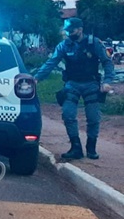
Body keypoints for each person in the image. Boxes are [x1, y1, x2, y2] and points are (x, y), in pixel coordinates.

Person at [34, 18, 115, 159]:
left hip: (91, 83)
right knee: (68, 114)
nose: (68, 33)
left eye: (71, 30)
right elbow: (51, 62)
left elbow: (107, 62)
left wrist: (107, 81)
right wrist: (37, 78)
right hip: (72, 84)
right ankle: (75, 147)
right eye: (67, 31)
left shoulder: (94, 43)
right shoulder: (64, 45)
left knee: (93, 117)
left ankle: (91, 148)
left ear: (80, 29)